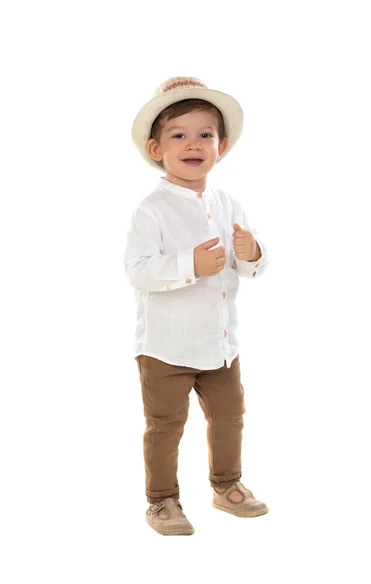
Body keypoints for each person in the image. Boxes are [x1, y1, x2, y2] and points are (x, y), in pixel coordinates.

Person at [124, 76, 269, 536]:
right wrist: (191, 263)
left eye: (205, 134)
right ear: (155, 148)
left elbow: (245, 272)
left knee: (230, 417)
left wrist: (252, 255)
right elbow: (138, 271)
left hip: (221, 345)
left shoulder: (228, 204)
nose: (194, 144)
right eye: (179, 135)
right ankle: (161, 500)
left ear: (221, 146)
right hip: (166, 347)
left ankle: (227, 486)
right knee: (165, 426)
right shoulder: (152, 210)